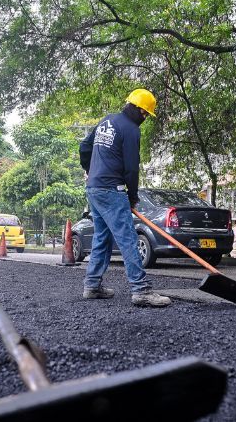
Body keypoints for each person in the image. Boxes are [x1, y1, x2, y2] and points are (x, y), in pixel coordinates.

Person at [78, 89, 171, 308]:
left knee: (102, 237)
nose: (145, 117)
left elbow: (84, 147)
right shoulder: (130, 129)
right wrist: (132, 196)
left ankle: (92, 285)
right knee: (128, 238)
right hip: (112, 189)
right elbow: (131, 168)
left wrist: (90, 171)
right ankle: (141, 290)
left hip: (94, 189)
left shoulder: (107, 121)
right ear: (136, 108)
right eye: (145, 113)